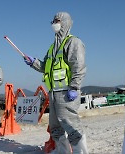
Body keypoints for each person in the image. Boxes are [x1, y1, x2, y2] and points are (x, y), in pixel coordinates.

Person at [24, 12, 88, 154]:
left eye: (57, 20)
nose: (54, 23)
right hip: (53, 93)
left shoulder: (73, 42)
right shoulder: (52, 48)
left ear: (65, 22)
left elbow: (78, 66)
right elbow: (44, 66)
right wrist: (33, 62)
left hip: (67, 92)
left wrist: (74, 87)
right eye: (53, 21)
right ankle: (61, 151)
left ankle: (80, 152)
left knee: (70, 124)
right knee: (55, 127)